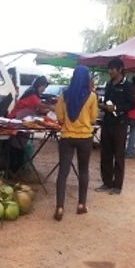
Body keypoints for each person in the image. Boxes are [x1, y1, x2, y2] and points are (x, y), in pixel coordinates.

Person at [54, 65, 98, 221]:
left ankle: (59, 207)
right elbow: (93, 118)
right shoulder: (92, 96)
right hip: (85, 137)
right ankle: (81, 205)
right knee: (84, 170)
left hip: (67, 137)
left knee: (63, 172)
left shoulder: (64, 95)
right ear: (87, 79)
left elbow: (59, 117)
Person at [97, 58, 135, 194]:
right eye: (109, 69)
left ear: (120, 69)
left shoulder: (127, 85)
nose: (110, 71)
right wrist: (103, 106)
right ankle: (106, 183)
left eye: (112, 69)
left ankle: (117, 186)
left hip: (120, 124)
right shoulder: (109, 84)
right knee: (105, 153)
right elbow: (106, 100)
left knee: (118, 155)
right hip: (107, 122)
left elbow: (132, 104)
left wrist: (117, 108)